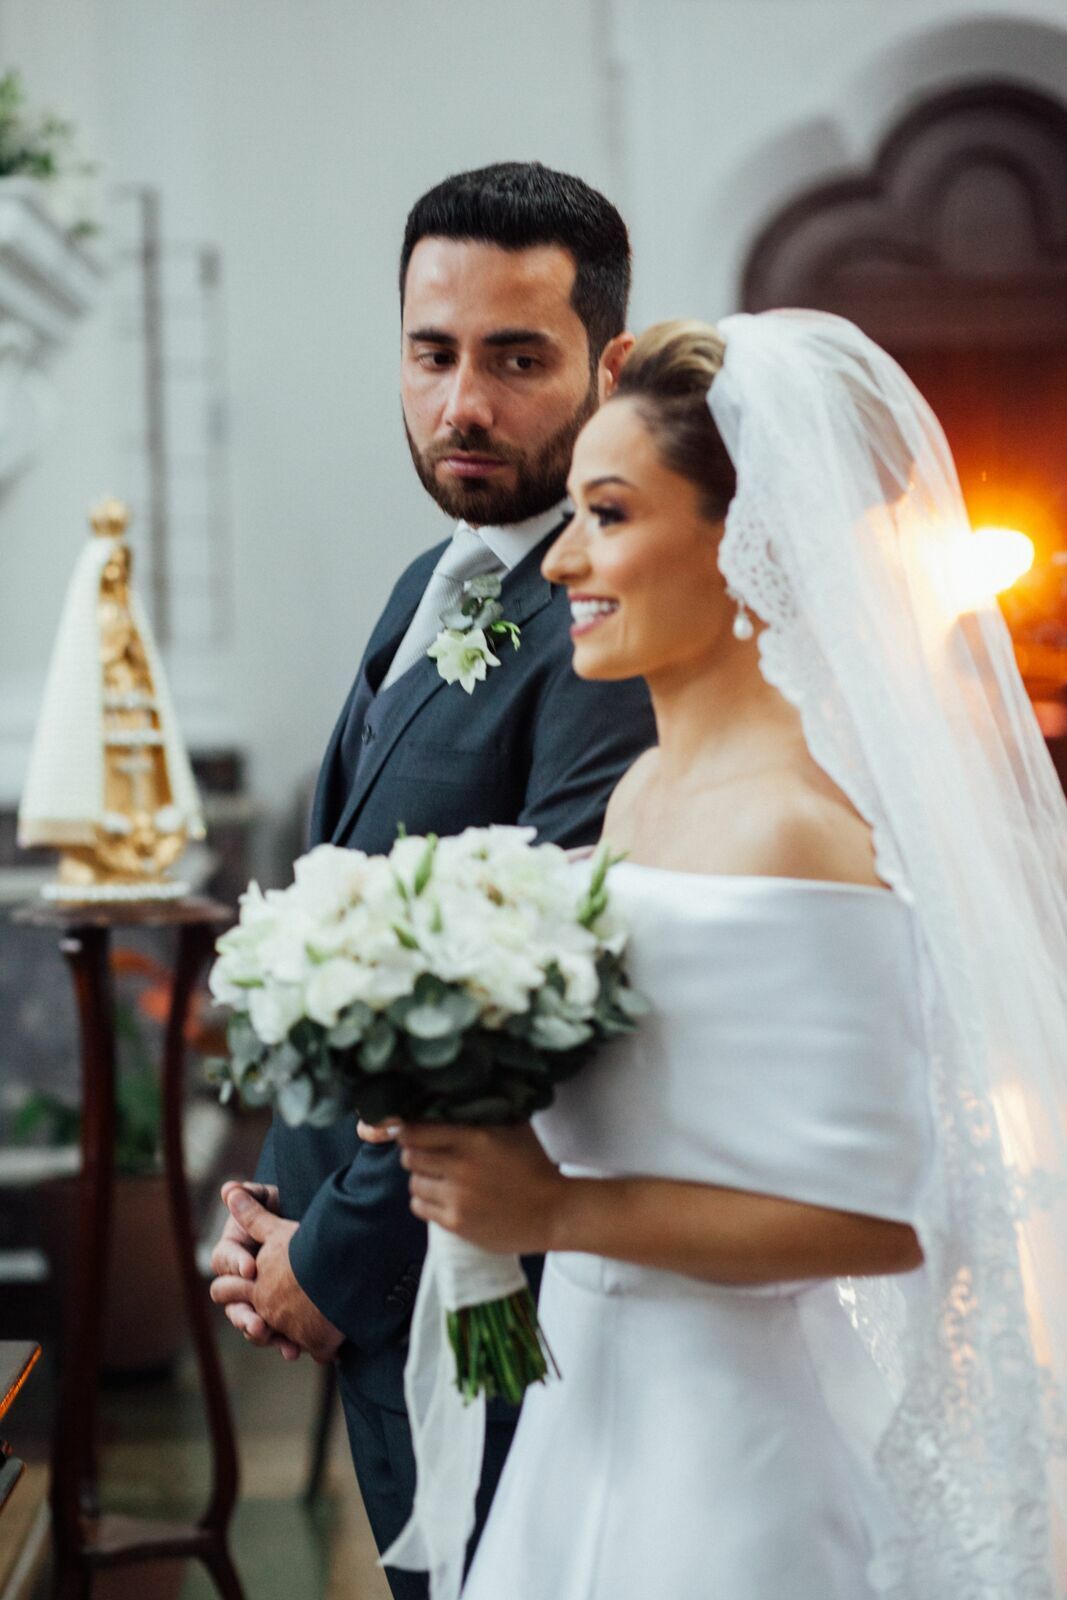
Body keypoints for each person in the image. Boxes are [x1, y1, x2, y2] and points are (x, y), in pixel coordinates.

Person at [389, 312, 1067, 1597]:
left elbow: (875, 1221)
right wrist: (451, 1068)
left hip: (731, 1468)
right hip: (584, 1407)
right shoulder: (640, 794)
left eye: (608, 515)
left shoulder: (799, 827)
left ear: (743, 539)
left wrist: (554, 1211)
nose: (561, 562)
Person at [207, 161, 656, 1595]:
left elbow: (524, 1023)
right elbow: (353, 902)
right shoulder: (430, 583)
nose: (462, 404)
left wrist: (329, 1267)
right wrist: (277, 1211)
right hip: (355, 1256)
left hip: (488, 1299)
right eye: (431, 352)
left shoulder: (607, 632)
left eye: (516, 359)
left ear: (609, 364)